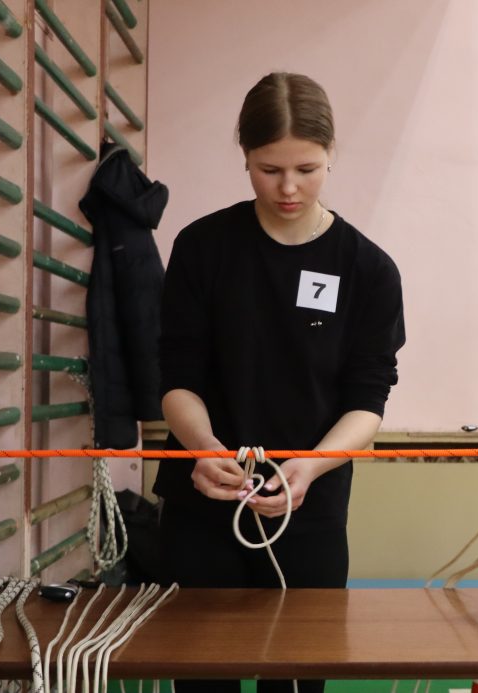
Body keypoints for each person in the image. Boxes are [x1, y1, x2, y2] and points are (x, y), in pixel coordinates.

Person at [156, 72, 406, 693]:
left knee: (297, 675)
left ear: (331, 155)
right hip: (204, 500)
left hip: (310, 508)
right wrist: (204, 450)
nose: (288, 188)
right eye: (269, 170)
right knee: (201, 677)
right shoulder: (203, 248)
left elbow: (368, 401)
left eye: (307, 169)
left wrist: (311, 468)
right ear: (244, 155)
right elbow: (177, 378)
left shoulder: (368, 270)